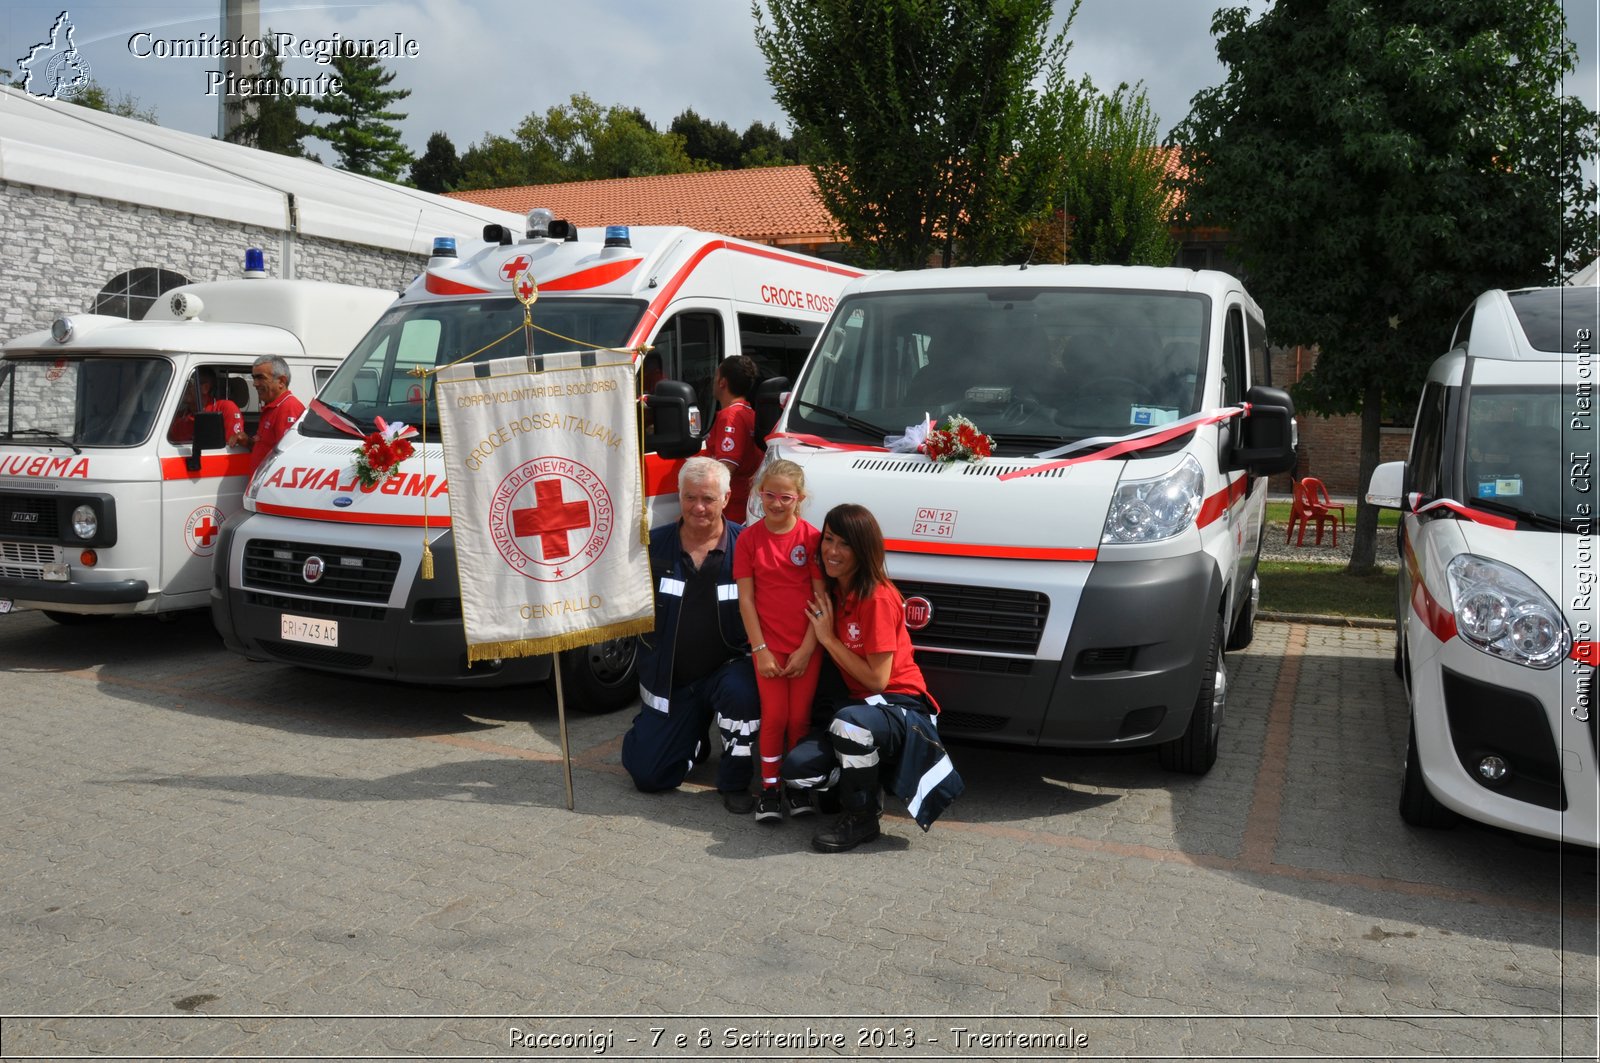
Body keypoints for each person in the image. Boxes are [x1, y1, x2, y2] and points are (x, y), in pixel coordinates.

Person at [783, 503, 964, 852]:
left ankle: (862, 817)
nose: (832, 551)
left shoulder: (878, 598)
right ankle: (864, 781)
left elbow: (878, 681)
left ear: (863, 550)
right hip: (859, 708)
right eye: (829, 539)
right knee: (798, 771)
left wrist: (828, 640)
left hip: (900, 706)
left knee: (849, 726)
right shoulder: (835, 591)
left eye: (845, 544)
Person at [620, 456, 761, 812]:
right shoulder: (651, 548)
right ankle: (692, 739)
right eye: (690, 497)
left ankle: (734, 779)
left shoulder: (747, 548)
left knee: (742, 693)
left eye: (709, 499)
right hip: (673, 680)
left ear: (727, 499)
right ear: (679, 496)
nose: (698, 507)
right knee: (648, 776)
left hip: (728, 672)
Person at [734, 459, 824, 822]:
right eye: (769, 495)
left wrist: (806, 649)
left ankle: (798, 786)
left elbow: (821, 600)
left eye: (784, 497)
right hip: (766, 649)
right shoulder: (748, 538)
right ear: (759, 494)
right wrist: (761, 650)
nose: (775, 503)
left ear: (799, 498)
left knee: (799, 720)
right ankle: (769, 790)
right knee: (774, 718)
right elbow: (746, 600)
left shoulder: (812, 538)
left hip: (805, 648)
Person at [705, 355, 763, 522]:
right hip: (741, 505)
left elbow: (727, 466)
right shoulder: (749, 413)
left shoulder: (731, 416)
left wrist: (706, 502)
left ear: (722, 382)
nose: (713, 381)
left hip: (731, 510)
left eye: (716, 376)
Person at [235, 355, 304, 468]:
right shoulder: (273, 407)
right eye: (254, 378)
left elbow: (287, 457)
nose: (255, 384)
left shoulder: (288, 408)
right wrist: (248, 442)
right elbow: (268, 449)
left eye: (260, 378)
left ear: (281, 381)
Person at [168, 367, 244, 444]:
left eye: (189, 383)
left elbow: (231, 447)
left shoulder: (225, 408)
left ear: (205, 388)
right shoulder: (179, 416)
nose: (184, 388)